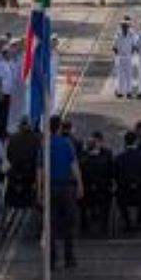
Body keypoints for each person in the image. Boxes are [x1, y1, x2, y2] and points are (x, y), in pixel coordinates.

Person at [49, 115, 82, 268]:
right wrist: (80, 185)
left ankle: (52, 259)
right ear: (60, 127)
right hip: (66, 187)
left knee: (51, 224)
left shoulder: (44, 145)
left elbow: (40, 170)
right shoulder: (67, 143)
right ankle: (69, 258)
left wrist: (40, 190)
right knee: (69, 223)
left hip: (51, 187)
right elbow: (74, 165)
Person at [114, 131, 141, 232]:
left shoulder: (119, 158)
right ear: (136, 142)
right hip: (140, 193)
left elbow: (115, 175)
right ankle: (139, 222)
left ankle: (127, 222)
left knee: (120, 198)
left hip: (124, 194)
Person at [80, 131, 116, 233]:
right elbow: (112, 172)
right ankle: (103, 222)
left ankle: (85, 220)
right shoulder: (107, 156)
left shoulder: (83, 157)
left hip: (90, 192)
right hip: (101, 191)